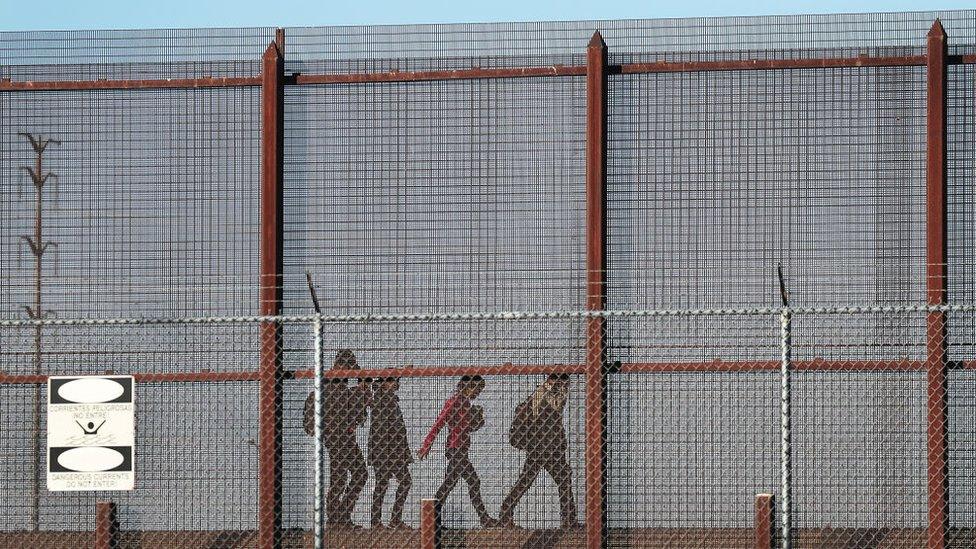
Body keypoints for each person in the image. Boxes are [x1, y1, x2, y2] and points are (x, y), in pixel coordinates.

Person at [498, 374, 579, 529]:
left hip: (549, 447)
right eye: (564, 382)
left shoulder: (546, 392)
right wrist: (562, 390)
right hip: (542, 446)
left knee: (553, 479)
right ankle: (569, 519)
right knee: (534, 480)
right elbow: (555, 409)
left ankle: (569, 519)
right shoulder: (543, 393)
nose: (566, 386)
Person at [417, 375, 498, 527]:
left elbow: (465, 427)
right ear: (469, 386)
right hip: (455, 449)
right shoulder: (454, 401)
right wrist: (426, 446)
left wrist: (477, 422)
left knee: (449, 484)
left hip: (461, 449)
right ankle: (484, 519)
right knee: (472, 481)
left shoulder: (466, 403)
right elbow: (439, 423)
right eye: (478, 390)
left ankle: (432, 519)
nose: (478, 394)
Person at [304, 349, 370, 528]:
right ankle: (338, 517)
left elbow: (353, 399)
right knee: (351, 475)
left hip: (338, 435)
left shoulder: (333, 382)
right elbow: (346, 398)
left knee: (347, 475)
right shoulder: (334, 383)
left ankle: (339, 516)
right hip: (337, 435)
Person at [367, 374, 413, 529]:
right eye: (392, 380)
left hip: (394, 450)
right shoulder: (381, 399)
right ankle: (378, 521)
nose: (396, 384)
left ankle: (392, 519)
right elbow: (383, 428)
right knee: (383, 483)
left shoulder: (390, 399)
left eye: (397, 381)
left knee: (402, 482)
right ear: (384, 382)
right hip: (384, 450)